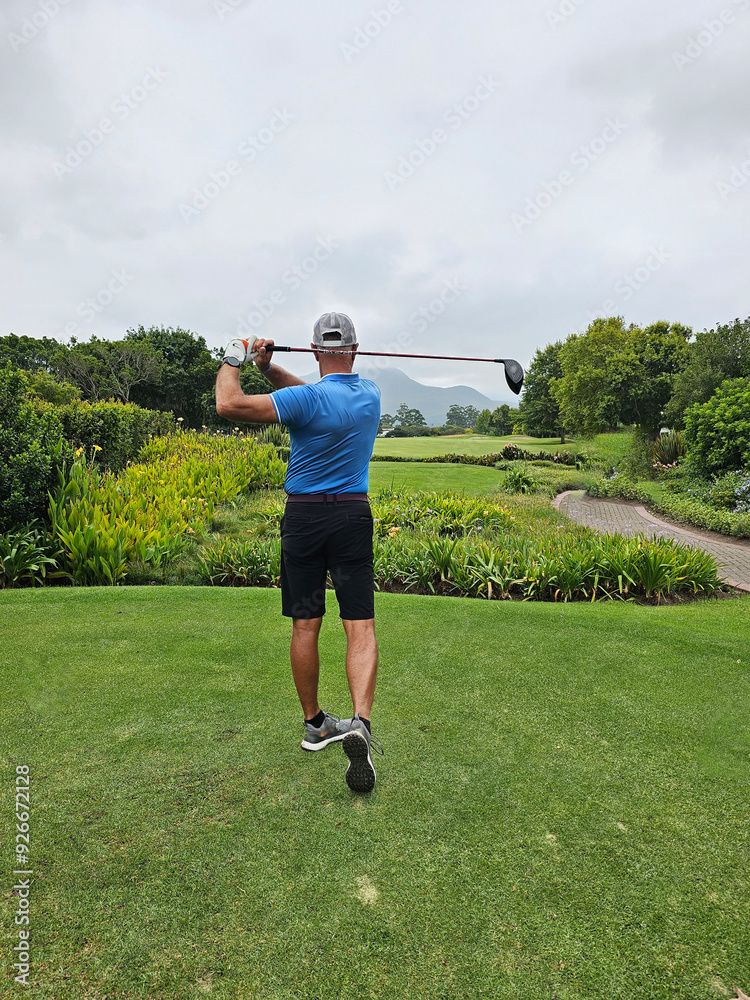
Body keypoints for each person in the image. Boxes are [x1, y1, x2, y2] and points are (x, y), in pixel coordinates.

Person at [215, 312, 383, 793]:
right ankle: (360, 723)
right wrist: (269, 368)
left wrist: (237, 354)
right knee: (361, 625)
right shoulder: (369, 395)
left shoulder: (306, 399)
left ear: (313, 351)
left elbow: (229, 404)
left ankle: (316, 724)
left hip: (305, 520)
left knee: (306, 624)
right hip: (352, 517)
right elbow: (316, 392)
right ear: (354, 348)